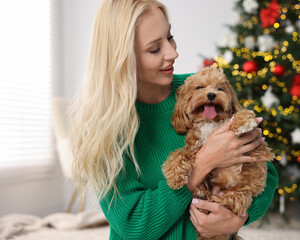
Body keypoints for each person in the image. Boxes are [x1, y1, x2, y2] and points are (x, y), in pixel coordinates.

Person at [69, 0, 278, 239]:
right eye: (154, 49)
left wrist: (239, 216)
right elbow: (133, 224)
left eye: (170, 37)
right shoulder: (104, 126)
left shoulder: (200, 93)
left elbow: (264, 171)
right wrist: (202, 163)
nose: (173, 53)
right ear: (123, 58)